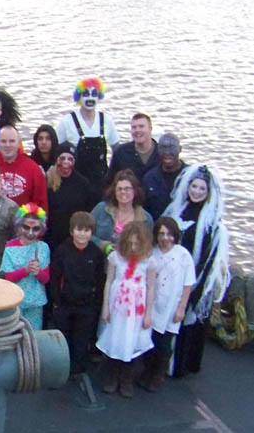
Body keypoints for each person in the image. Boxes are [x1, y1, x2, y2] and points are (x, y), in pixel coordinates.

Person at [163, 164, 230, 378]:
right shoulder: (177, 211)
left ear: (209, 192)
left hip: (196, 279)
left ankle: (181, 366)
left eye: (202, 189)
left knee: (189, 323)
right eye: (194, 187)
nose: (197, 192)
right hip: (172, 275)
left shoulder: (213, 225)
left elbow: (209, 261)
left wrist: (194, 288)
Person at [96, 221, 157, 398]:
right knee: (116, 338)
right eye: (129, 243)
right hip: (118, 307)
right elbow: (109, 282)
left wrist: (148, 314)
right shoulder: (116, 257)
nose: (132, 247)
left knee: (131, 340)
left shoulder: (148, 261)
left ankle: (126, 379)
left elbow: (151, 287)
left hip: (136, 310)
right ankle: (112, 377)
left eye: (137, 244)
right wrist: (105, 307)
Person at [141, 217, 195, 392]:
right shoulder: (152, 253)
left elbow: (188, 283)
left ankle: (158, 374)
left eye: (169, 234)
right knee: (150, 341)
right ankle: (147, 371)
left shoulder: (183, 255)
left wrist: (181, 307)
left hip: (171, 305)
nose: (165, 238)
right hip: (153, 304)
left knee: (164, 344)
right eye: (162, 234)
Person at [50, 211, 105, 379]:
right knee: (63, 338)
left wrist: (96, 304)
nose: (82, 234)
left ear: (91, 233)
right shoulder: (62, 250)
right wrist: (56, 301)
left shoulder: (96, 253)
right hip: (65, 303)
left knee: (81, 339)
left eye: (87, 230)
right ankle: (61, 369)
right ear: (72, 231)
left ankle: (78, 370)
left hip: (86, 305)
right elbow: (54, 277)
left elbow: (100, 280)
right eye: (79, 230)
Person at [55, 78, 119, 192]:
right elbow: (55, 152)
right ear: (78, 97)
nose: (90, 98)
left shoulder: (107, 120)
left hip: (102, 183)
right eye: (85, 94)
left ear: (99, 96)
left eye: (94, 94)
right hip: (75, 183)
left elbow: (117, 150)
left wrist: (112, 175)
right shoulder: (67, 121)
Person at [0, 204, 51, 329]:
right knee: (15, 333)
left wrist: (38, 272)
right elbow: (8, 277)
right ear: (19, 226)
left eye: (36, 229)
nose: (30, 233)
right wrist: (25, 270)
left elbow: (46, 279)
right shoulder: (11, 247)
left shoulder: (43, 248)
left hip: (35, 302)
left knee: (33, 335)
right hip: (15, 301)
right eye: (26, 227)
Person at [45, 142, 95, 252]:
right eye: (62, 158)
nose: (66, 162)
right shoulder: (47, 180)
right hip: (51, 236)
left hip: (75, 238)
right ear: (56, 159)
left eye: (70, 158)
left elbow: (88, 211)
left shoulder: (83, 184)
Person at [0, 125, 48, 211]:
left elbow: (41, 204)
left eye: (12, 141)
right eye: (3, 141)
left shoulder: (33, 169)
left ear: (19, 142)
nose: (7, 145)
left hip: (23, 222)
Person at [90, 169, 153, 249]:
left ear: (135, 191)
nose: (123, 192)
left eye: (127, 189)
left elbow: (148, 247)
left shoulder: (146, 219)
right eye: (119, 189)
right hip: (99, 258)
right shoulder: (101, 209)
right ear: (114, 192)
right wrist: (103, 245)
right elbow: (85, 233)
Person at [143, 133, 186, 219]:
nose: (167, 152)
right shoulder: (149, 179)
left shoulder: (190, 175)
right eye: (163, 148)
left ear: (180, 149)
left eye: (172, 147)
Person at [106, 113, 158, 186]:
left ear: (150, 129)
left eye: (141, 126)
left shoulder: (161, 153)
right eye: (134, 127)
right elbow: (110, 182)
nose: (137, 130)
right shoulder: (121, 153)